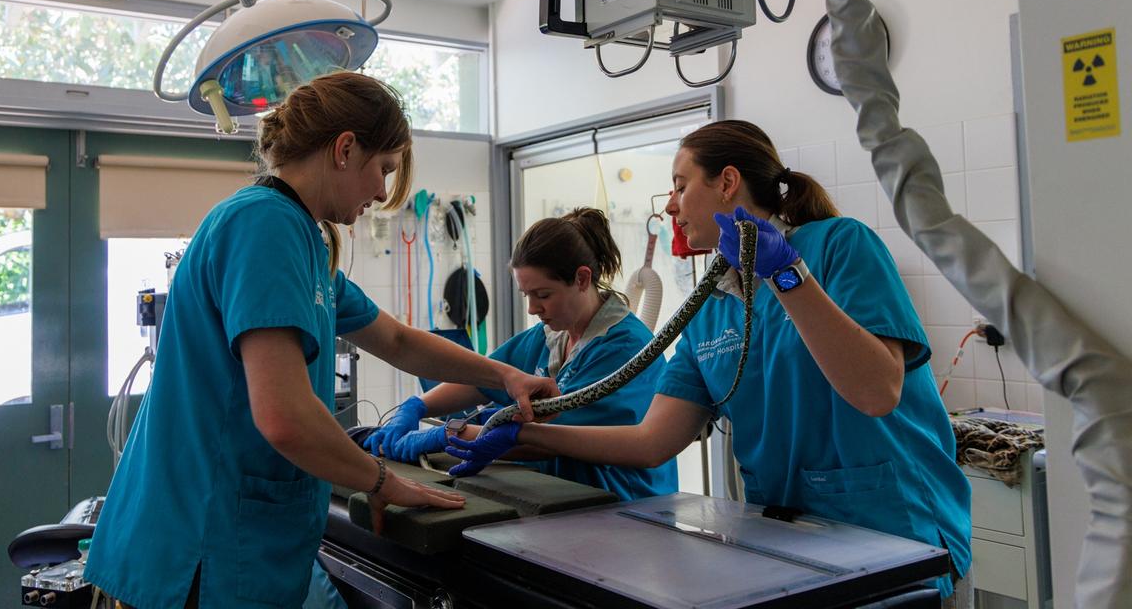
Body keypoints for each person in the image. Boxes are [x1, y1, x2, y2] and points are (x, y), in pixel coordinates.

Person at [83, 72, 557, 609]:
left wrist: (503, 376)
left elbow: (397, 341)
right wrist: (381, 480)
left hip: (233, 547)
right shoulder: (264, 224)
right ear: (345, 149)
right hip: (198, 552)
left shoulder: (303, 240)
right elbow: (283, 416)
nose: (381, 193)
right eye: (382, 170)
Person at [449, 120, 973, 607]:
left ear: (727, 183)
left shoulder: (839, 246)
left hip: (894, 531)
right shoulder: (710, 308)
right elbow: (651, 441)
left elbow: (878, 391)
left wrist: (786, 275)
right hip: (793, 542)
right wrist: (525, 435)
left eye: (679, 186)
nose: (670, 207)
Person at [371, 208, 679, 500]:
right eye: (526, 295)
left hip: (624, 507)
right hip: (564, 500)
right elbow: (484, 379)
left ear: (582, 279)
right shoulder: (549, 336)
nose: (532, 308)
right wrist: (416, 407)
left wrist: (447, 435)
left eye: (543, 295)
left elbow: (547, 440)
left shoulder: (624, 348)